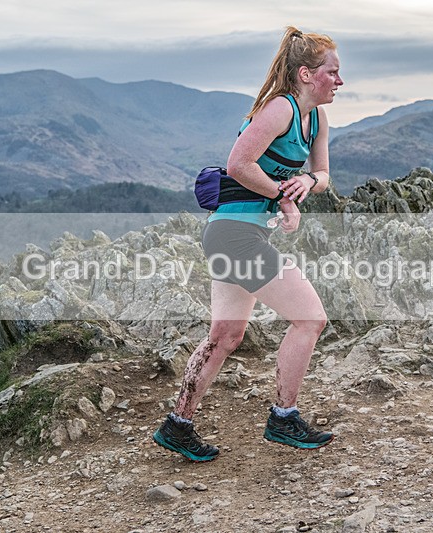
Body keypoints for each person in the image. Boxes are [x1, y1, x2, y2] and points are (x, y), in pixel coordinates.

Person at [153, 26, 343, 461]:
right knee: (310, 319)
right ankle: (284, 417)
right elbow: (238, 163)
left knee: (225, 335)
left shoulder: (317, 119)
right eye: (332, 72)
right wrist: (282, 197)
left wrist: (308, 181)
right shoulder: (280, 109)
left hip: (237, 235)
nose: (340, 80)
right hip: (234, 235)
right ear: (306, 74)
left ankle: (177, 425)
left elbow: (324, 175)